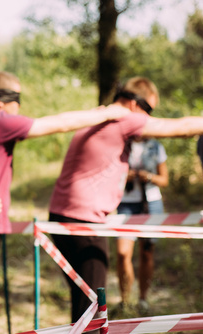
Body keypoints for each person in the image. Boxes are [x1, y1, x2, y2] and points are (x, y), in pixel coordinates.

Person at [0, 71, 131, 309]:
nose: (19, 108)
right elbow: (60, 123)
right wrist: (106, 113)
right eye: (17, 101)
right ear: (1, 102)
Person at [49, 76, 203, 322]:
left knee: (84, 300)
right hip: (83, 221)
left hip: (61, 214)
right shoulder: (124, 119)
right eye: (148, 110)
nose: (149, 118)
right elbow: (180, 128)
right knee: (92, 306)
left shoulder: (100, 118)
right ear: (134, 103)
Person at [115, 134, 168, 315]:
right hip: (127, 203)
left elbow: (164, 179)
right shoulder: (121, 145)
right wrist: (124, 178)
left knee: (146, 253)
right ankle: (125, 300)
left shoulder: (156, 146)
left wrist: (149, 177)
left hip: (151, 203)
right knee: (123, 253)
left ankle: (143, 299)